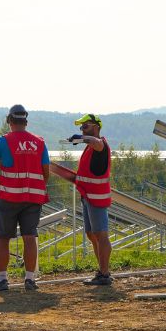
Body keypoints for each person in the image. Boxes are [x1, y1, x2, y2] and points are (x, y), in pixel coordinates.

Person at [0, 104, 50, 291]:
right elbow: (46, 173)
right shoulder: (39, 142)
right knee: (30, 237)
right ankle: (30, 279)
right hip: (33, 197)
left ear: (9, 121)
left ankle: (2, 279)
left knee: (3, 238)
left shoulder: (3, 141)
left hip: (9, 197)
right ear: (25, 121)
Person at [68, 113, 113, 286]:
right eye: (81, 128)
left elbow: (97, 143)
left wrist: (82, 138)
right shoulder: (90, 148)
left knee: (101, 234)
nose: (82, 130)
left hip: (96, 197)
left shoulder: (100, 144)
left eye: (85, 126)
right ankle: (102, 270)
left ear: (96, 126)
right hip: (88, 196)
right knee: (92, 234)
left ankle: (104, 273)